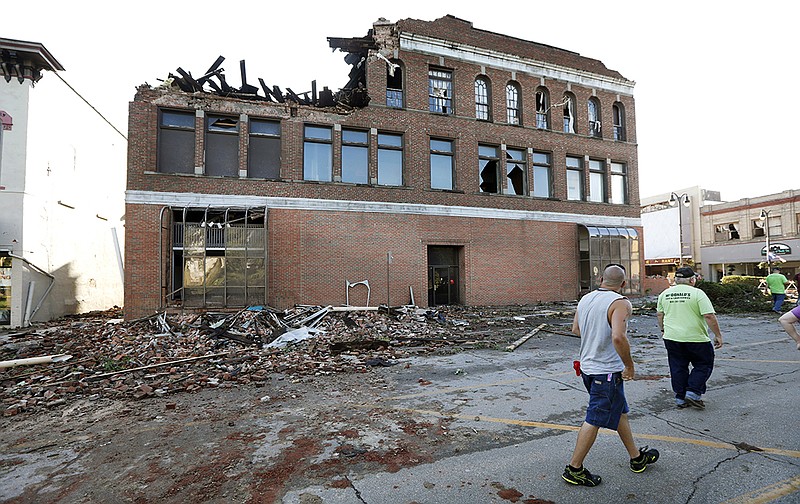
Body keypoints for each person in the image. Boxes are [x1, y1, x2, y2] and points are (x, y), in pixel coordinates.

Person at [562, 264, 659, 487]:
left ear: (601, 279)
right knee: (595, 418)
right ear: (623, 284)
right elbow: (618, 337)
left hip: (588, 367)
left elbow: (576, 329)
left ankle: (636, 458)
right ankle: (574, 469)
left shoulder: (586, 299)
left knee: (620, 413)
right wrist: (630, 366)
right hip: (604, 371)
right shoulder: (620, 303)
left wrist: (595, 334)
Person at [657, 266, 723, 409]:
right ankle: (693, 392)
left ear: (676, 280)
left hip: (672, 337)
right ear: (692, 280)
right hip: (696, 338)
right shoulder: (698, 293)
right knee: (703, 364)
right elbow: (709, 316)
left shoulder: (665, 294)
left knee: (678, 367)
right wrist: (717, 335)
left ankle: (680, 398)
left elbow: (660, 314)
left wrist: (663, 329)